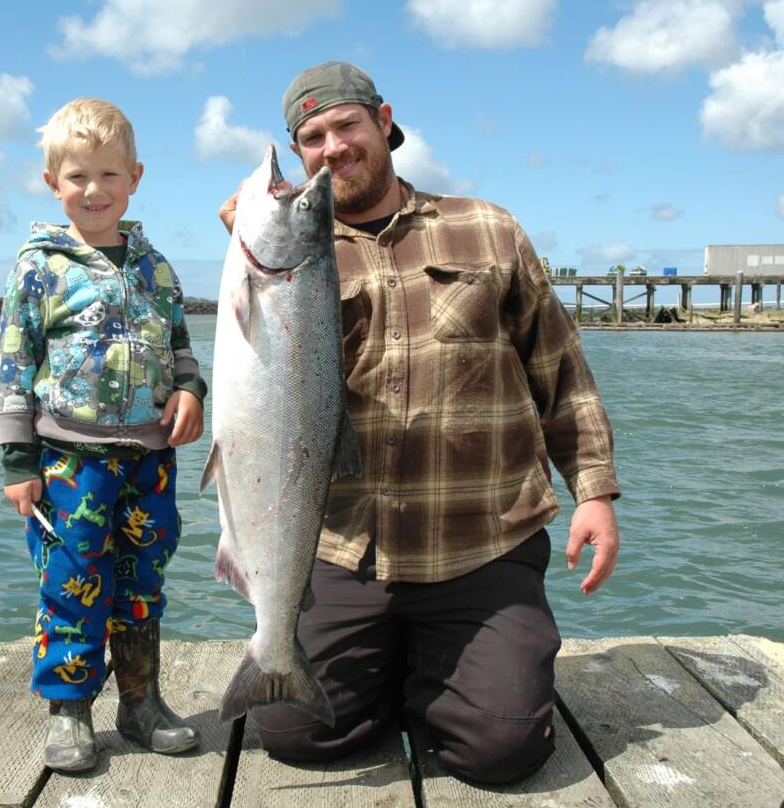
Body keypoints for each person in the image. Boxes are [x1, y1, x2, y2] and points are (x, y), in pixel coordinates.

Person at [218, 61, 622, 784]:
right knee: (291, 732)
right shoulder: (295, 246)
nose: (333, 147)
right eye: (312, 137)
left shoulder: (488, 230)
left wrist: (592, 490)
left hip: (481, 543)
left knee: (501, 751)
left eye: (347, 125)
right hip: (346, 546)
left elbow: (560, 368)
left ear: (384, 121)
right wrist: (250, 238)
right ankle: (406, 663)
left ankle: (454, 670)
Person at [0, 97, 207, 773]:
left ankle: (140, 702)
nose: (95, 190)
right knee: (71, 579)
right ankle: (69, 707)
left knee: (142, 578)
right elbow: (13, 364)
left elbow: (180, 349)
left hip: (150, 459)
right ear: (52, 182)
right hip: (67, 462)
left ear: (135, 178)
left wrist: (191, 391)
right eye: (78, 176)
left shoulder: (157, 267)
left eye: (110, 175)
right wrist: (17, 460)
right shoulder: (38, 266)